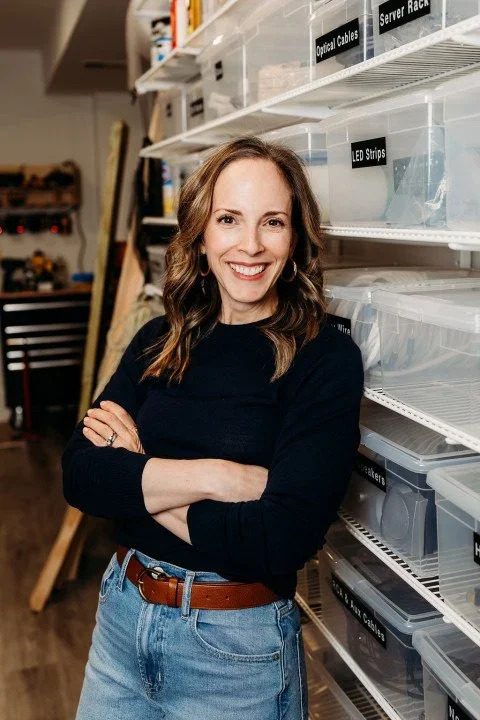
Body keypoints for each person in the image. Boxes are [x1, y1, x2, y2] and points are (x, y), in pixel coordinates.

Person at [62, 136, 364, 720]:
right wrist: (219, 476)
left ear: (295, 238)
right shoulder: (158, 339)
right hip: (122, 619)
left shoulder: (324, 358)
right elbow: (80, 474)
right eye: (229, 219)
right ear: (201, 235)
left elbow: (280, 539)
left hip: (235, 652)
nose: (249, 245)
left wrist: (139, 475)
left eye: (272, 222)